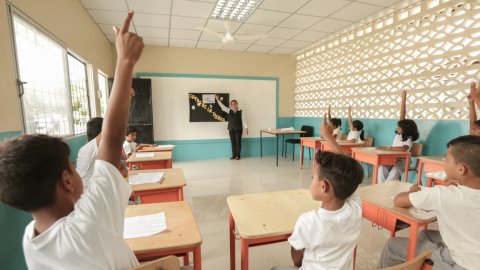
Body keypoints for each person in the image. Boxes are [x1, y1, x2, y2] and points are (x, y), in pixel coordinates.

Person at [0, 11, 144, 269]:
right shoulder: (91, 219)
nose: (77, 171)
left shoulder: (30, 238)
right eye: (74, 168)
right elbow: (112, 140)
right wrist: (125, 61)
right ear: (66, 180)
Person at [272, 115, 364, 270]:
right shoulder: (356, 210)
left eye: (313, 177)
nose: (311, 181)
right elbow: (347, 172)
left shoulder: (308, 221)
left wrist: (298, 266)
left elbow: (296, 254)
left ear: (324, 186)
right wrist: (329, 137)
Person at [378, 135, 480, 270]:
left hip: (462, 262)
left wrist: (411, 191)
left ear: (461, 169)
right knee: (425, 234)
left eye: (447, 159)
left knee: (393, 245)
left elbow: (398, 200)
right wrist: (462, 181)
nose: (444, 162)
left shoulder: (442, 194)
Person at [375, 90, 419, 183]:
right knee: (382, 168)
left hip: (403, 159)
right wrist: (403, 100)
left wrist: (387, 148)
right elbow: (402, 114)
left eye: (399, 127)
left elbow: (403, 149)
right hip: (392, 157)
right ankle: (380, 188)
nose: (397, 128)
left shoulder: (409, 137)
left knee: (395, 171)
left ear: (405, 129)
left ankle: (385, 188)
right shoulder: (399, 134)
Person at [77, 117, 128, 190]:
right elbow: (109, 126)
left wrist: (107, 179)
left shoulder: (106, 151)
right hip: (87, 196)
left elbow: (124, 170)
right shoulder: (88, 149)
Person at [214, 94, 248, 160]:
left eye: (235, 104)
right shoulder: (229, 110)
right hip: (231, 129)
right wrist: (217, 99)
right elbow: (222, 106)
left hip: (238, 129)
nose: (233, 105)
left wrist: (246, 128)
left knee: (238, 143)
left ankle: (238, 156)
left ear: (237, 104)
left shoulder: (241, 111)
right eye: (232, 104)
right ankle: (234, 155)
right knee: (233, 143)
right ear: (231, 105)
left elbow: (244, 120)